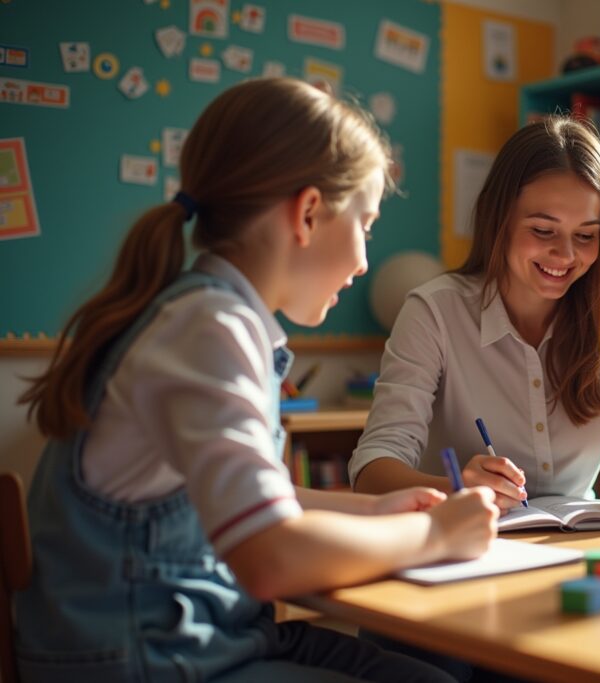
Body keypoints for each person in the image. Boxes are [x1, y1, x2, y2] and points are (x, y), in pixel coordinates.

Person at [15, 78, 498, 683]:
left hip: (192, 638)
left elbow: (252, 505)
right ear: (309, 212)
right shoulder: (210, 328)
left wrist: (375, 511)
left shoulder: (203, 316)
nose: (364, 261)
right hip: (141, 658)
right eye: (366, 227)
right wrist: (432, 534)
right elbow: (269, 557)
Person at [349, 116, 600, 517]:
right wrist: (458, 489)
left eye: (585, 236)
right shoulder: (433, 312)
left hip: (575, 546)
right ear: (500, 220)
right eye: (543, 231)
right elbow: (372, 468)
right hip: (461, 541)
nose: (565, 256)